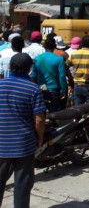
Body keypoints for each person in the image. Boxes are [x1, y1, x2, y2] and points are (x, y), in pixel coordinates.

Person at [0, 53, 46, 208]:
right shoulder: (33, 89)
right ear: (29, 69)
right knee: (22, 185)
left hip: (1, 144)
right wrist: (40, 138)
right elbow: (39, 119)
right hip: (24, 145)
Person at [32, 37, 67, 112]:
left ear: (44, 46)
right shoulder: (59, 59)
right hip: (54, 90)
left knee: (41, 112)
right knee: (54, 113)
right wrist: (63, 90)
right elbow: (62, 76)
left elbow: (33, 76)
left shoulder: (36, 58)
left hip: (40, 89)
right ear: (55, 46)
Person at [67, 35, 89, 106]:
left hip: (76, 85)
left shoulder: (74, 54)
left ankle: (78, 117)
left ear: (81, 43)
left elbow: (66, 66)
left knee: (77, 109)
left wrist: (70, 77)